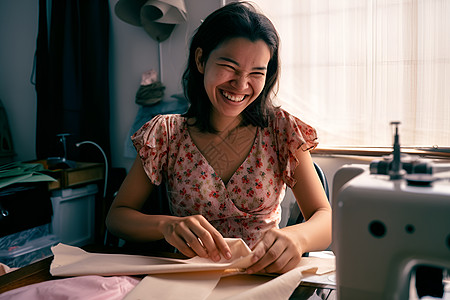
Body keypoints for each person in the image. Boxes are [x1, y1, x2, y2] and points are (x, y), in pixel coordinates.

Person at [106, 1, 331, 275]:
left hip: (261, 280)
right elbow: (117, 217)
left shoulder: (281, 131)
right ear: (201, 60)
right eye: (229, 67)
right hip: (190, 280)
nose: (241, 84)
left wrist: (298, 237)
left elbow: (325, 218)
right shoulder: (166, 134)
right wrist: (166, 225)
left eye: (256, 73)